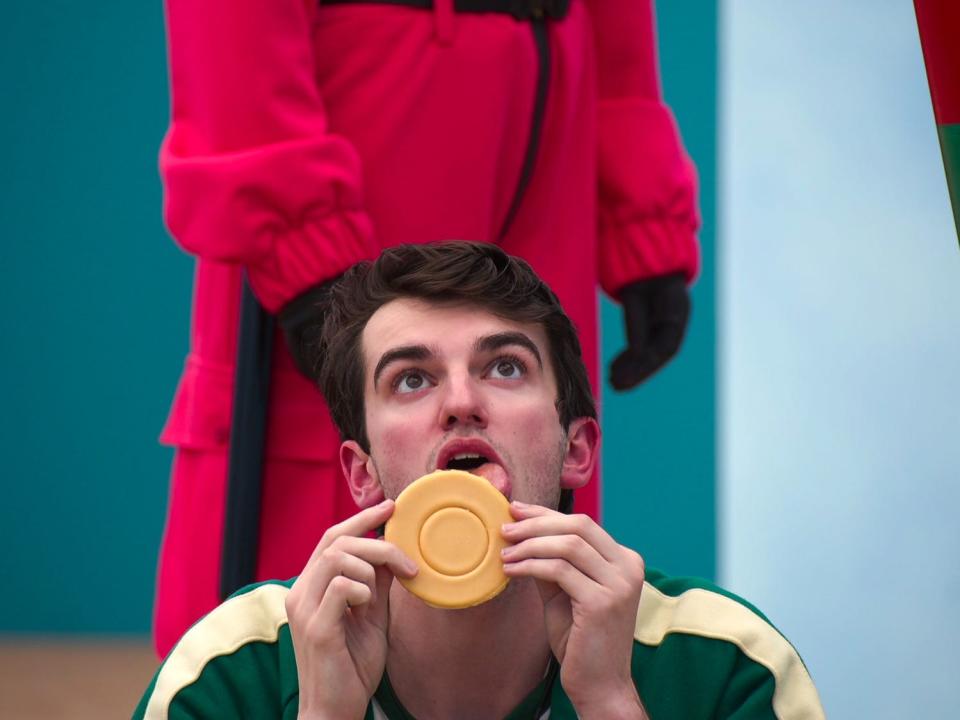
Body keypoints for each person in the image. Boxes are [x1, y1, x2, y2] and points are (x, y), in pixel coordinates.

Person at [152, 0, 701, 657]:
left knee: (529, 500)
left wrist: (638, 206)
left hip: (557, 99)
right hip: (358, 93)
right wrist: (294, 230)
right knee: (336, 524)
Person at [135, 243, 822, 719]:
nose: (461, 401)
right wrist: (325, 715)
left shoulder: (727, 667)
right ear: (363, 475)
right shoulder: (227, 675)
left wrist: (611, 702)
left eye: (505, 368)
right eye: (411, 379)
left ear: (577, 449)